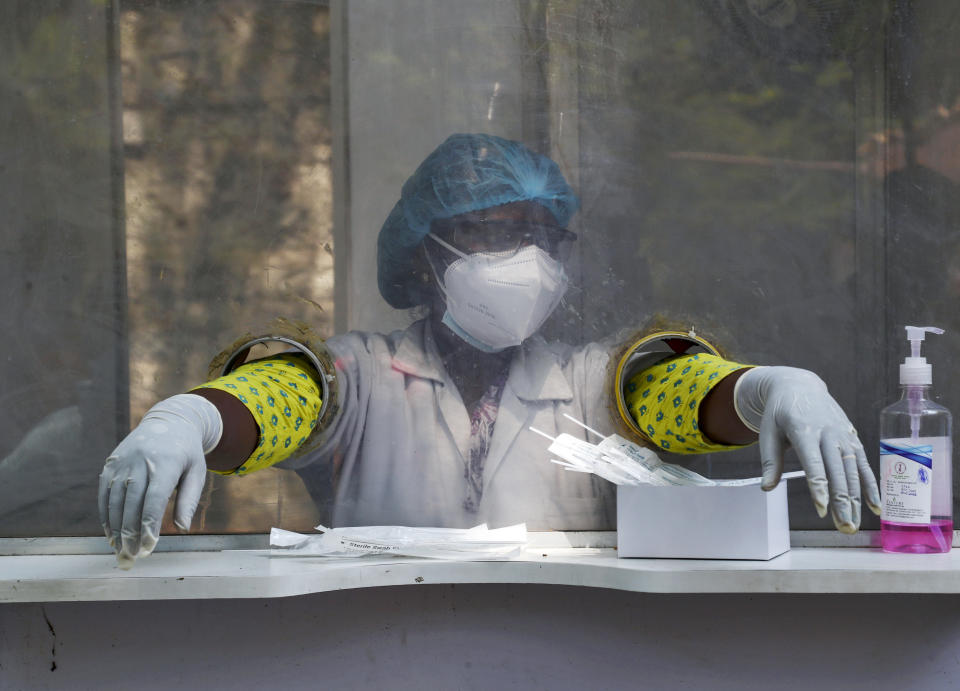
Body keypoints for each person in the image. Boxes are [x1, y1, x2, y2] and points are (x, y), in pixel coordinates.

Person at [99, 133, 880, 567]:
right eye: (493, 230)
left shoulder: (586, 380)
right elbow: (289, 393)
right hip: (371, 657)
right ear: (425, 254)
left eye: (542, 234)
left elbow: (670, 390)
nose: (525, 255)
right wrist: (197, 415)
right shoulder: (365, 374)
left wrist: (759, 390)